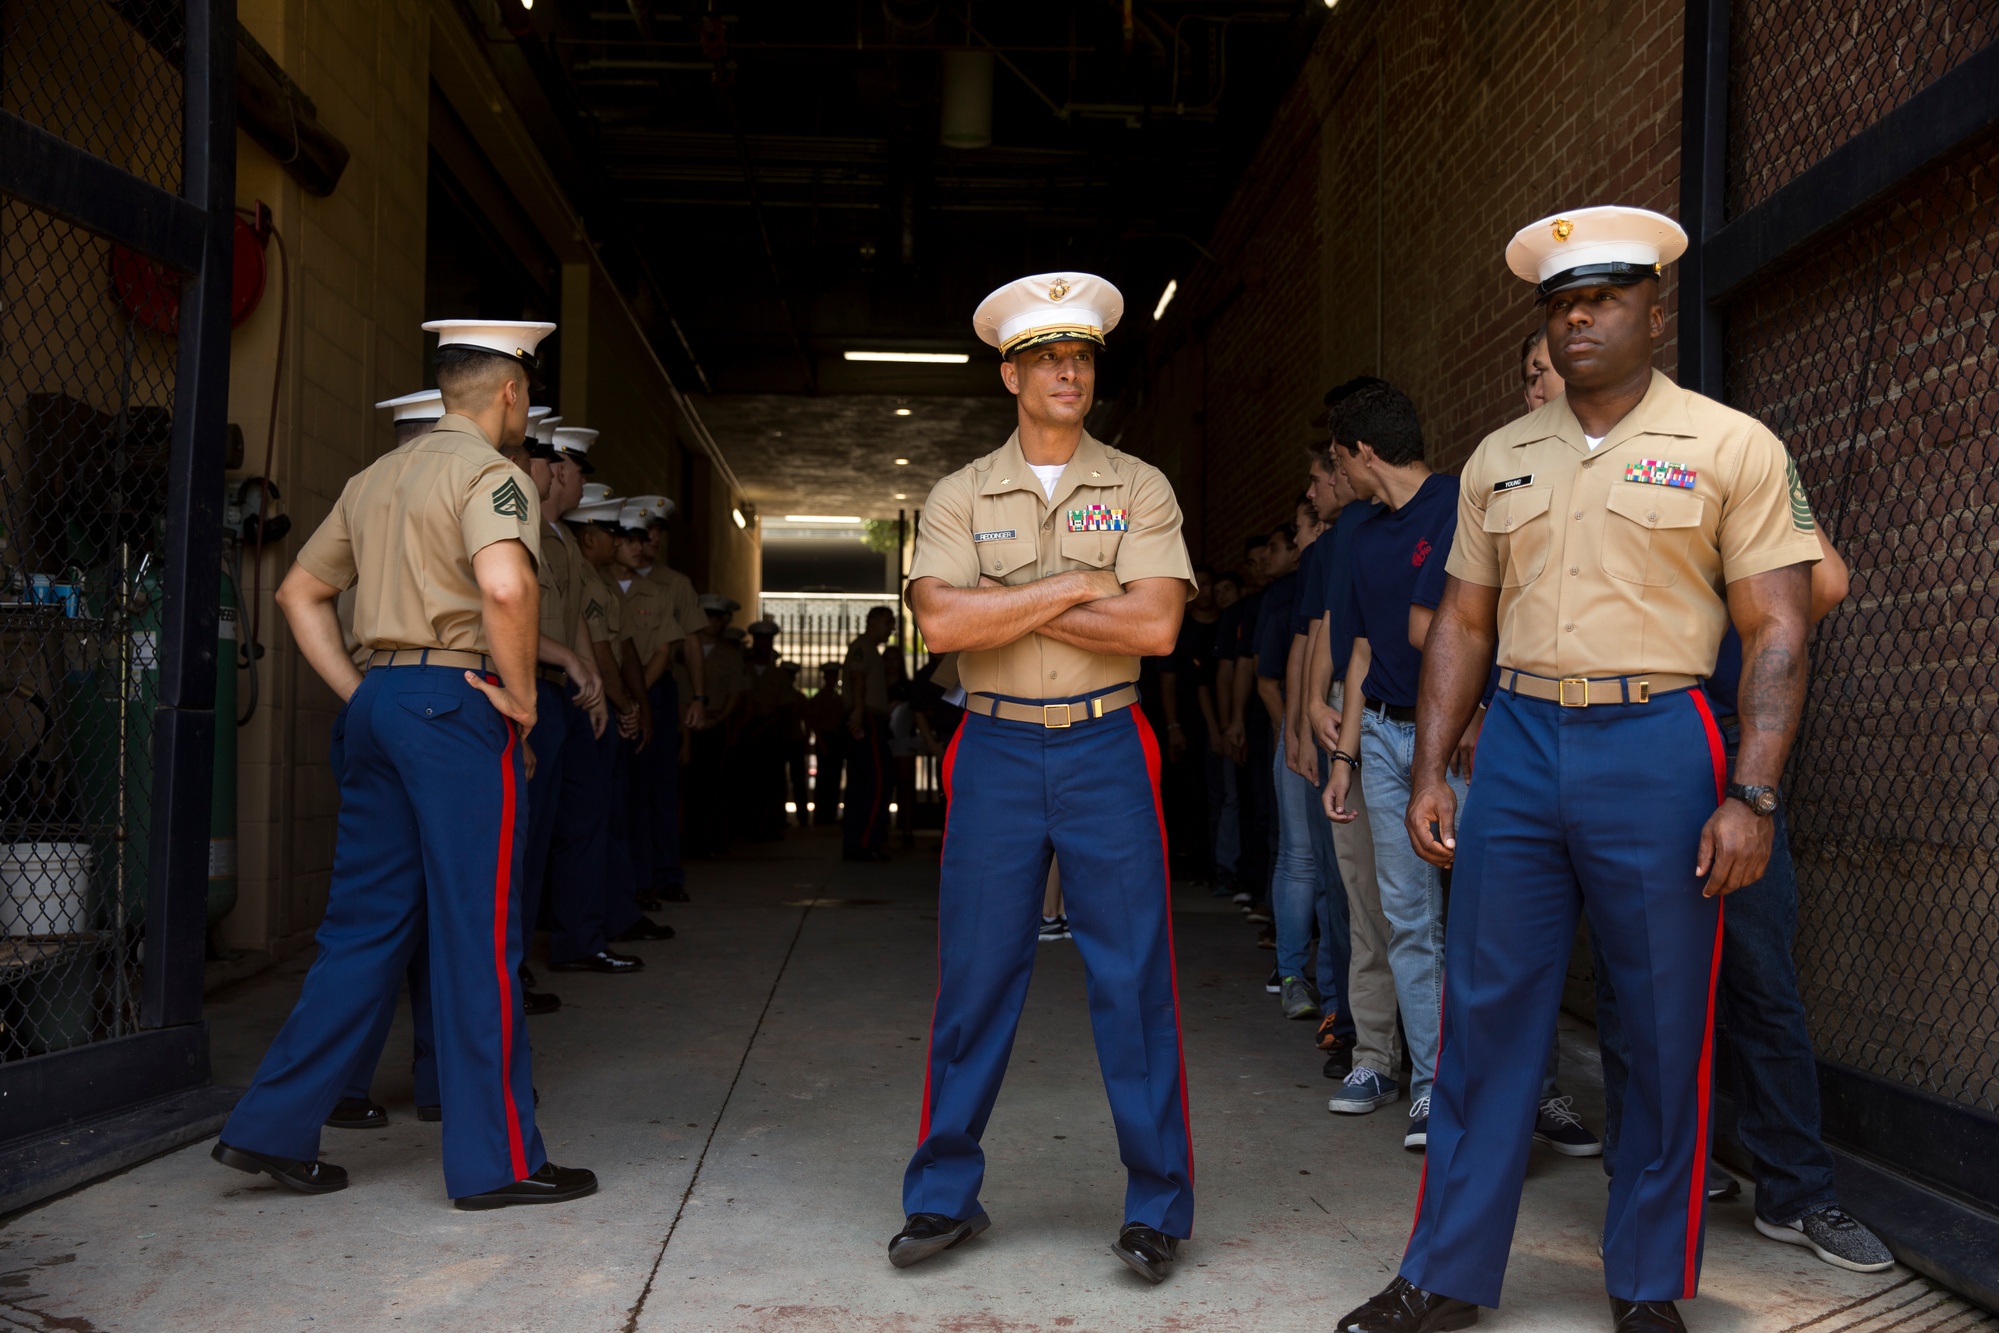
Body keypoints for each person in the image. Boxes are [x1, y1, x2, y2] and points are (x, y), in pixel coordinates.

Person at [1339, 206, 1825, 1333]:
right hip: (1514, 743)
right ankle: (1446, 1271)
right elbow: (1462, 618)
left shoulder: (1730, 443)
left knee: (1659, 1024)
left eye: (1602, 299)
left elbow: (1780, 629)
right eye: (1561, 305)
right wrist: (1426, 771)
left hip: (1657, 742)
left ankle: (1646, 1282)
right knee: (1487, 1011)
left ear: (1654, 311)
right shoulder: (1501, 460)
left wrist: (1750, 790)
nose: (1579, 321)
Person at [212, 319, 596, 1209]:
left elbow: (298, 593)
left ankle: (269, 1126)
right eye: (526, 395)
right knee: (478, 934)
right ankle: (497, 1162)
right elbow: (505, 585)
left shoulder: (375, 477)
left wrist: (362, 692)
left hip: (381, 703)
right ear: (509, 392)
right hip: (457, 706)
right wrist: (524, 699)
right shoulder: (492, 475)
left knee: (361, 928)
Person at [892, 271, 1196, 1286]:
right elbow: (939, 625)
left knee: (1131, 977)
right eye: (1049, 357)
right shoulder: (959, 493)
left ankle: (1157, 1204)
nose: (1069, 370)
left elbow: (1153, 627)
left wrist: (1003, 600)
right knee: (974, 979)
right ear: (1011, 372)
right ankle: (941, 1195)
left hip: (1108, 742)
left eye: (1084, 356)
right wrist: (1079, 582)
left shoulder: (1140, 485)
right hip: (995, 747)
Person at [1593, 528, 1889, 1272]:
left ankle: (1794, 1192)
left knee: (1759, 976)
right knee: (1633, 976)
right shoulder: (1576, 464)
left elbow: (1824, 583)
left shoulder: (1731, 460)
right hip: (1624, 743)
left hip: (1729, 744)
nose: (1538, 400)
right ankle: (1645, 1176)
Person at [1321, 382, 1468, 1151]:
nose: (1337, 470)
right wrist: (1344, 753)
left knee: (1488, 917)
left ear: (1363, 451)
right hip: (1379, 736)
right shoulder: (1362, 531)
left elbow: (1453, 629)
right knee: (1410, 919)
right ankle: (1429, 1089)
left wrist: (1478, 714)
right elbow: (1363, 647)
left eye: (1338, 456)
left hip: (1461, 740)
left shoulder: (1458, 503)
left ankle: (1518, 1091)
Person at [569, 491, 675, 945]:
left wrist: (638, 705)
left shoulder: (603, 585)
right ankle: (587, 928)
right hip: (588, 705)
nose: (622, 543)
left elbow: (626, 648)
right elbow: (600, 654)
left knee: (615, 816)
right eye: (614, 534)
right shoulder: (586, 582)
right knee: (591, 823)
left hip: (612, 706)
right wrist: (625, 705)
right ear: (590, 537)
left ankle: (614, 913)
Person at [1257, 491, 1328, 1021]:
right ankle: (1291, 973)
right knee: (1305, 857)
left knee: (1321, 861)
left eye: (1302, 528)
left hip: (1327, 726)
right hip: (1309, 727)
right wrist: (1295, 731)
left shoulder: (1333, 559)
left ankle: (1316, 980)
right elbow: (1280, 667)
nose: (1299, 538)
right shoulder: (1292, 588)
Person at [631, 505, 704, 900]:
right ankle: (633, 878)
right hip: (615, 687)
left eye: (658, 534)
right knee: (628, 788)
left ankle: (664, 873)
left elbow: (690, 642)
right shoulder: (606, 578)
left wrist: (698, 695)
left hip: (657, 691)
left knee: (661, 787)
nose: (653, 541)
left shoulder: (673, 584)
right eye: (646, 533)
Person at [841, 606, 896, 862]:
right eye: (888, 623)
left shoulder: (871, 649)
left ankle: (857, 842)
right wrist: (860, 712)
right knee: (877, 782)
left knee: (863, 784)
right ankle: (866, 842)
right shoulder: (863, 646)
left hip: (869, 717)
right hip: (868, 720)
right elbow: (857, 677)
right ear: (872, 621)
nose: (891, 629)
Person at [804, 663, 847, 825]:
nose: (832, 679)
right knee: (823, 780)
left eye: (834, 676)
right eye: (829, 676)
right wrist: (820, 741)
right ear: (825, 678)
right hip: (825, 739)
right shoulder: (819, 698)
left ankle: (831, 814)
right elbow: (813, 721)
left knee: (835, 779)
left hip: (836, 741)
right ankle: (821, 815)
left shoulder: (838, 698)